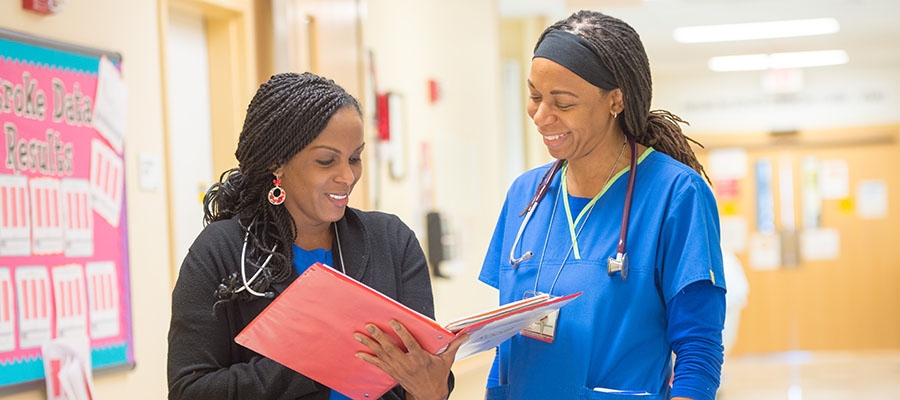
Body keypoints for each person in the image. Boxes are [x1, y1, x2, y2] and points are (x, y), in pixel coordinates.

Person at [167, 72, 464, 400]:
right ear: (276, 163)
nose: (347, 176)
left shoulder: (392, 242)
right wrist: (309, 361)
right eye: (326, 161)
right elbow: (189, 390)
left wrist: (431, 389)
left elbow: (425, 376)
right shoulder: (220, 250)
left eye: (355, 158)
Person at [478, 10, 727, 400]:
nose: (541, 116)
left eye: (562, 102)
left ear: (615, 101)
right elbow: (507, 349)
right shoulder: (525, 195)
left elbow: (698, 350)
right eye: (535, 96)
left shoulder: (676, 195)